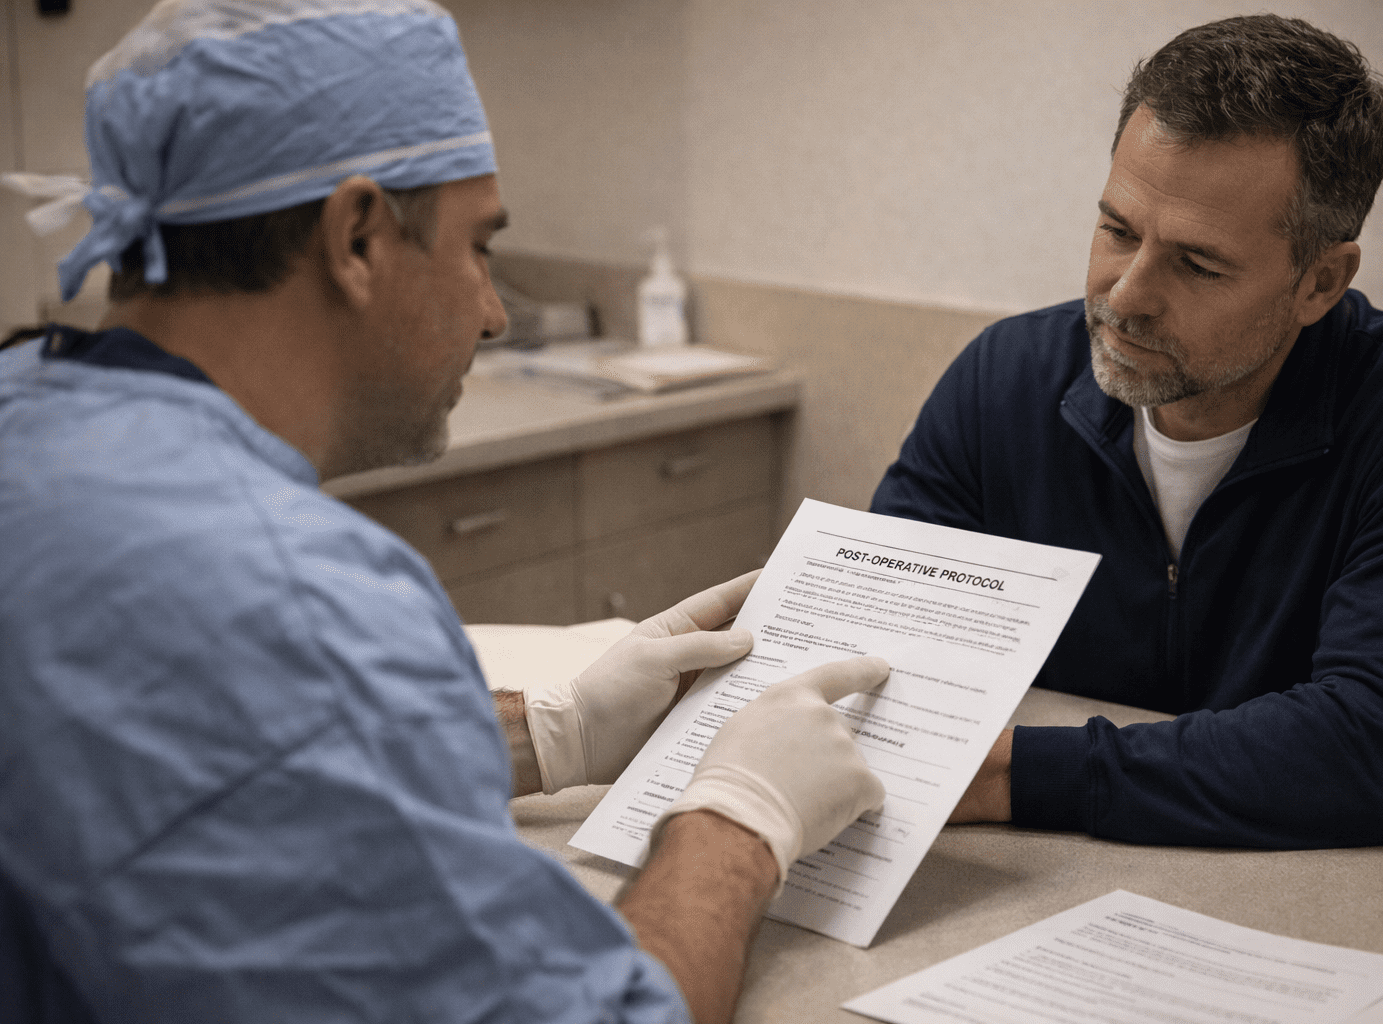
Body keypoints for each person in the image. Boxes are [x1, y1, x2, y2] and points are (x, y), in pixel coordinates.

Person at [0, 3, 886, 1022]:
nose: (495, 312)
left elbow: (196, 752)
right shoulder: (300, 595)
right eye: (478, 247)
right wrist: (738, 822)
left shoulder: (28, 409)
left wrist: (553, 732)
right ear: (361, 237)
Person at [872, 14, 1383, 849]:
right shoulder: (1004, 380)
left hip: (1358, 894)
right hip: (1054, 865)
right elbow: (879, 639)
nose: (1126, 296)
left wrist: (1011, 774)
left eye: (1197, 264)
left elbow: (1379, 749)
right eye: (1118, 230)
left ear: (1319, 282)